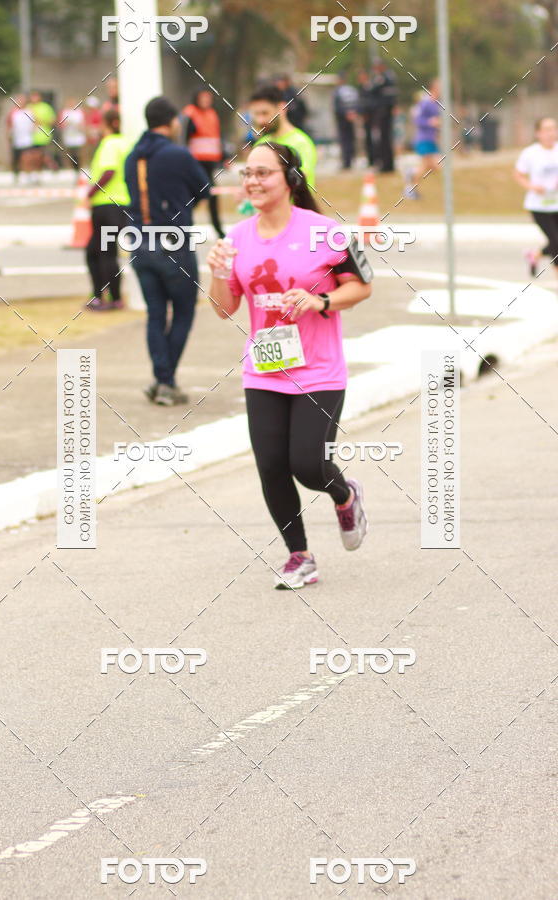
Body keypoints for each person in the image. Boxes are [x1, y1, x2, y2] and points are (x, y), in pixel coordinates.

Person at [206, 143, 372, 589]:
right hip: (263, 370)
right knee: (271, 466)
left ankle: (345, 493)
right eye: (247, 173)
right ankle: (300, 557)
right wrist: (218, 274)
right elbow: (224, 310)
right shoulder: (237, 238)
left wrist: (321, 300)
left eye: (264, 173)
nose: (253, 181)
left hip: (319, 371)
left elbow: (361, 287)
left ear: (289, 179)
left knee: (307, 463)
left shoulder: (326, 232)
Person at [125, 96, 209, 407]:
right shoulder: (178, 154)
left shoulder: (133, 157)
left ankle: (162, 379)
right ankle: (165, 381)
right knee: (185, 311)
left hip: (139, 241)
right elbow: (205, 189)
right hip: (174, 241)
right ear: (172, 121)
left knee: (155, 314)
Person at [86, 109, 131, 311]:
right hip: (121, 204)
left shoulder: (110, 143)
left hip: (107, 204)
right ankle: (104, 296)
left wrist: (91, 192)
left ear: (110, 123)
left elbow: (109, 170)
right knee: (99, 251)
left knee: (103, 252)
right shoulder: (126, 143)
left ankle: (111, 298)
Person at [248, 84, 317, 189]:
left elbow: (297, 183)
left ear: (282, 108)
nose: (260, 120)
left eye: (265, 113)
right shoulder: (260, 144)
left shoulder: (301, 143)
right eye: (256, 114)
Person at [514, 117, 558, 280]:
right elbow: (518, 175)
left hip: (556, 203)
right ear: (538, 133)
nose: (551, 133)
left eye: (553, 129)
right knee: (556, 242)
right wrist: (532, 187)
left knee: (556, 241)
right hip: (539, 206)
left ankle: (535, 255)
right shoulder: (530, 153)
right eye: (546, 129)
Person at [182, 89, 227, 239]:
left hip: (210, 162)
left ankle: (217, 229)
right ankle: (182, 223)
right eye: (203, 98)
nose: (206, 101)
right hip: (195, 162)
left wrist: (224, 157)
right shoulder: (190, 113)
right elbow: (184, 137)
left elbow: (218, 137)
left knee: (209, 194)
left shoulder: (212, 114)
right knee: (203, 193)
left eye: (209, 98)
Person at [412, 81, 442, 192]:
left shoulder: (436, 104)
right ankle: (411, 184)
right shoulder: (425, 103)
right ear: (434, 88)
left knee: (432, 166)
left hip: (431, 139)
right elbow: (417, 120)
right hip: (423, 139)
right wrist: (430, 122)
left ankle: (413, 186)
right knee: (431, 165)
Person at [370, 59, 398, 172]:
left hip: (383, 112)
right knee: (386, 139)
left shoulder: (382, 78)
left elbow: (373, 89)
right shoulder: (391, 76)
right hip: (387, 111)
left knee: (384, 139)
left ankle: (386, 165)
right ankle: (388, 164)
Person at [332, 72, 360, 171]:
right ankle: (351, 159)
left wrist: (345, 114)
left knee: (344, 141)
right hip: (351, 118)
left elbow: (336, 107)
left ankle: (346, 162)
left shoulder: (338, 91)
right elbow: (357, 103)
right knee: (351, 140)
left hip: (342, 120)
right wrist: (353, 114)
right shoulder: (352, 90)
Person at [6, 94, 34, 181]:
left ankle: (28, 175)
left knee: (27, 158)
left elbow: (35, 122)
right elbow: (9, 124)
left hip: (27, 139)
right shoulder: (13, 112)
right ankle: (16, 174)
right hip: (16, 139)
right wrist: (8, 135)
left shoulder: (30, 112)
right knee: (16, 159)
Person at [29, 90, 56, 176]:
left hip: (43, 135)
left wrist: (41, 122)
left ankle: (51, 166)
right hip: (31, 136)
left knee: (40, 154)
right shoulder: (28, 107)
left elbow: (53, 121)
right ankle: (38, 172)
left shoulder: (46, 107)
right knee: (34, 156)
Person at [58, 98, 86, 170]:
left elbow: (83, 124)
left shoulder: (79, 112)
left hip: (78, 136)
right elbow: (60, 124)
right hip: (68, 136)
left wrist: (78, 126)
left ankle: (81, 168)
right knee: (68, 154)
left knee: (80, 154)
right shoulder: (64, 112)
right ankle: (69, 169)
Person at [357, 70, 376, 168]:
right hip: (366, 118)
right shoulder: (361, 88)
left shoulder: (371, 88)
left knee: (374, 138)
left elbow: (371, 103)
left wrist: (367, 112)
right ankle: (370, 159)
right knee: (367, 139)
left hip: (372, 118)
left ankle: (375, 158)